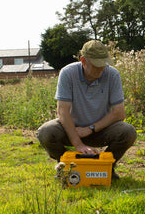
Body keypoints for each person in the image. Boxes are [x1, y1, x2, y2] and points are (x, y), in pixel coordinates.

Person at [36, 40, 137, 179]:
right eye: (97, 65)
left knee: (128, 132)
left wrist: (91, 128)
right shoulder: (67, 73)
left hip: (101, 129)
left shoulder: (113, 75)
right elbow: (62, 112)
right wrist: (77, 144)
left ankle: (107, 168)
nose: (102, 68)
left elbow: (119, 113)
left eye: (104, 63)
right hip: (72, 129)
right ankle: (65, 167)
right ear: (83, 60)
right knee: (46, 132)